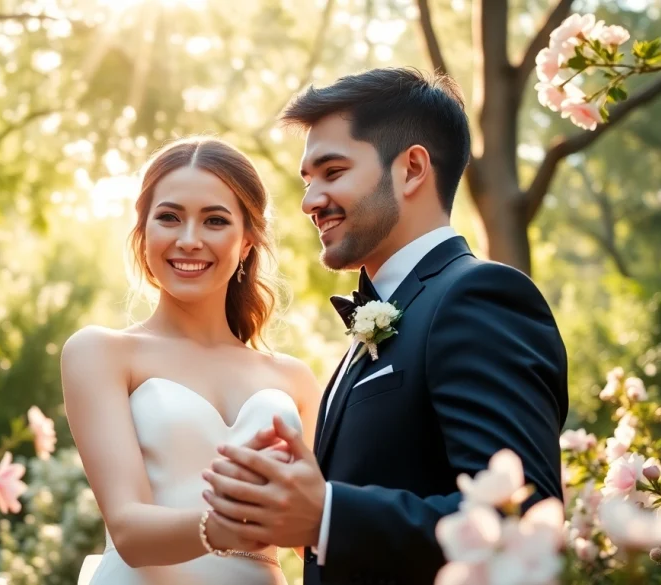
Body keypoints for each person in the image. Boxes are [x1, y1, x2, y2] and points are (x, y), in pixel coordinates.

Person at [203, 67, 570, 585]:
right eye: (308, 180)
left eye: (332, 172)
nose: (309, 201)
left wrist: (326, 516)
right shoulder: (388, 317)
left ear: (412, 168)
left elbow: (522, 519)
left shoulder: (480, 297)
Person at [62, 136, 322, 584]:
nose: (188, 240)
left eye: (215, 221)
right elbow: (128, 529)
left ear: (246, 242)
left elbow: (316, 532)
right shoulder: (100, 353)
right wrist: (221, 527)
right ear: (143, 234)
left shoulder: (295, 379)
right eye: (169, 218)